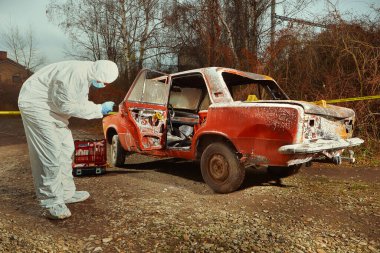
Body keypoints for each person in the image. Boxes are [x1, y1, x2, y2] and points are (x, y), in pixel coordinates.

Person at [18, 60, 118, 219]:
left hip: (51, 108)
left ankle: (66, 193)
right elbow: (66, 105)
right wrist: (98, 109)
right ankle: (51, 202)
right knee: (49, 153)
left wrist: (96, 108)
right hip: (36, 105)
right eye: (103, 82)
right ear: (99, 76)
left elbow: (77, 102)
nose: (103, 85)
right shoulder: (74, 75)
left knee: (66, 148)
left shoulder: (85, 75)